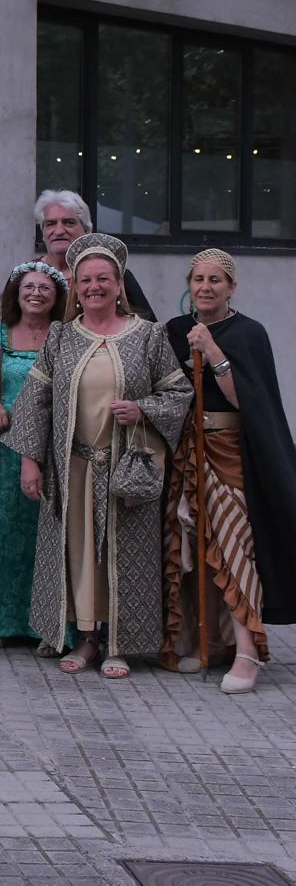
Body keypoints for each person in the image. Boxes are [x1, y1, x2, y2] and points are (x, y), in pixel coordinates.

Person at [6, 233, 191, 679]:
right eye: (86, 279)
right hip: (73, 468)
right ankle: (86, 639)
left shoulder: (148, 335)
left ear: (118, 283)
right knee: (81, 555)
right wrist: (30, 460)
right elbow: (35, 400)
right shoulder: (63, 337)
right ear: (77, 286)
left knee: (123, 554)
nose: (94, 286)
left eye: (103, 278)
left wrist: (142, 408)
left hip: (127, 468)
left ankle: (119, 644)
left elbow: (179, 392)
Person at [159, 249, 296, 694]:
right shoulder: (175, 331)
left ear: (231, 287)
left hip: (231, 451)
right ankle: (209, 641)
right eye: (198, 278)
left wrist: (213, 352)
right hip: (187, 452)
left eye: (215, 280)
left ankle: (247, 651)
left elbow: (247, 400)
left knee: (235, 543)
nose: (205, 287)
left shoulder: (248, 333)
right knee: (195, 549)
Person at [0, 261, 67, 652]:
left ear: (57, 298)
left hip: (54, 451)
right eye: (28, 287)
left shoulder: (66, 337)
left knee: (49, 537)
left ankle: (49, 628)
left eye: (45, 288)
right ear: (16, 294)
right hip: (1, 452)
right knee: (1, 532)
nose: (36, 293)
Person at [34, 189, 154, 321]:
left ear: (86, 230)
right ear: (43, 232)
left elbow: (149, 327)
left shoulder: (116, 274)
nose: (59, 231)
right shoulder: (27, 273)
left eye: (69, 222)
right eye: (50, 224)